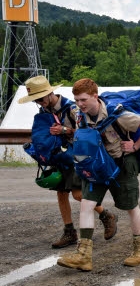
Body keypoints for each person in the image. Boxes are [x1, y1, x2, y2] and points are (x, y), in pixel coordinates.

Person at [57, 78, 140, 271]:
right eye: (76, 100)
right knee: (86, 205)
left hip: (121, 165)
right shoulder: (79, 116)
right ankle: (83, 256)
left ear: (95, 96)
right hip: (95, 167)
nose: (79, 104)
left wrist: (135, 146)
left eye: (83, 100)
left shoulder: (117, 114)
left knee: (131, 207)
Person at [19, 76, 118, 249]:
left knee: (78, 195)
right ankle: (69, 231)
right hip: (59, 156)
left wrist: (65, 130)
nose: (40, 103)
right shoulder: (44, 114)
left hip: (77, 156)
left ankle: (106, 215)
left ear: (50, 93)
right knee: (61, 194)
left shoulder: (72, 108)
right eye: (36, 100)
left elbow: (87, 132)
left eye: (41, 99)